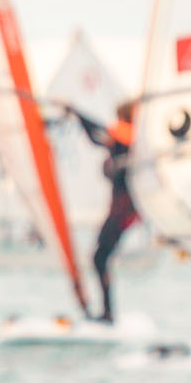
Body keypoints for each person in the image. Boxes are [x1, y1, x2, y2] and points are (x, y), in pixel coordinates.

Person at [68, 99, 137, 323]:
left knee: (99, 258)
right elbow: (97, 135)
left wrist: (77, 113)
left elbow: (99, 133)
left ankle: (108, 314)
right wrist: (77, 115)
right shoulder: (125, 141)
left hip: (124, 210)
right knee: (100, 259)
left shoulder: (131, 138)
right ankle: (108, 312)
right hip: (123, 210)